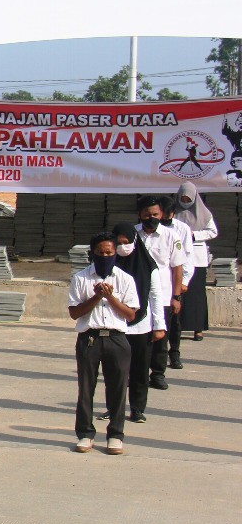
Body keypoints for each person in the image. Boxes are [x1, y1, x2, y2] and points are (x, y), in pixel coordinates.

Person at [67, 232, 138, 455]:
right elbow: (75, 312)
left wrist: (110, 297)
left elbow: (130, 314)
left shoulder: (125, 279)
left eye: (109, 252)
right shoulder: (81, 278)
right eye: (100, 253)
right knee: (86, 388)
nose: (105, 256)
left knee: (117, 388)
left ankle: (115, 435)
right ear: (93, 253)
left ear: (115, 253)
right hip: (90, 338)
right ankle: (86, 434)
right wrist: (96, 297)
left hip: (116, 338)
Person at [112, 222, 165, 424]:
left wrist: (159, 326)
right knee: (116, 371)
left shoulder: (148, 266)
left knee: (139, 370)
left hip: (142, 325)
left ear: (135, 242)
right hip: (117, 324)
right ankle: (113, 407)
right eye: (119, 243)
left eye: (127, 242)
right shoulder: (110, 264)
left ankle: (137, 408)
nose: (123, 247)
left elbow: (156, 296)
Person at [135, 195, 183, 391]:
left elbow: (177, 268)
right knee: (137, 337)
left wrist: (176, 296)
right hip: (136, 295)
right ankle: (137, 374)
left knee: (160, 336)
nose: (151, 218)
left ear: (162, 214)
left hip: (162, 294)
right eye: (147, 215)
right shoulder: (132, 234)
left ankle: (158, 374)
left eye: (155, 214)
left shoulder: (172, 236)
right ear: (140, 215)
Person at [172, 181, 216, 341]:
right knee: (178, 292)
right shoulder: (174, 212)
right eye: (182, 198)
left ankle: (198, 328)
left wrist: (194, 235)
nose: (185, 202)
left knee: (196, 294)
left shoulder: (204, 213)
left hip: (197, 258)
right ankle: (178, 325)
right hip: (178, 256)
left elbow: (212, 232)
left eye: (187, 199)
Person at [161, 197, 195, 371]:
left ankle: (174, 354)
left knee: (174, 322)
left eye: (168, 215)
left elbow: (187, 257)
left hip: (175, 280)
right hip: (157, 282)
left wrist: (184, 281)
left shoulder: (182, 229)